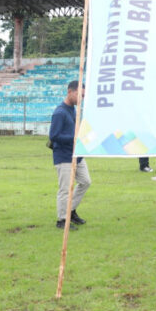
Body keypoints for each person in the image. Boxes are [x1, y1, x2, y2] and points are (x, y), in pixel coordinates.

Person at [49, 80, 90, 230]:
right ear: (70, 92)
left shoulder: (74, 110)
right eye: (80, 95)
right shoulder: (60, 112)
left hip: (76, 155)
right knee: (65, 188)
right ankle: (62, 219)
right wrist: (73, 138)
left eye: (84, 96)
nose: (82, 99)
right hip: (64, 156)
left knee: (86, 181)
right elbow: (53, 136)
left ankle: (70, 210)